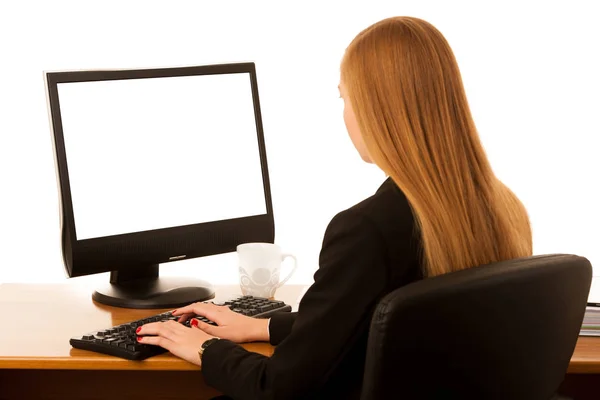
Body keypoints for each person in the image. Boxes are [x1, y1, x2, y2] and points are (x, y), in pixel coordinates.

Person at [136, 16, 533, 399]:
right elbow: (381, 325)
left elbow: (279, 387)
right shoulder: (501, 207)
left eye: (346, 97)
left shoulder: (367, 230)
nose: (346, 115)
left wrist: (203, 349)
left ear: (378, 110)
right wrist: (265, 327)